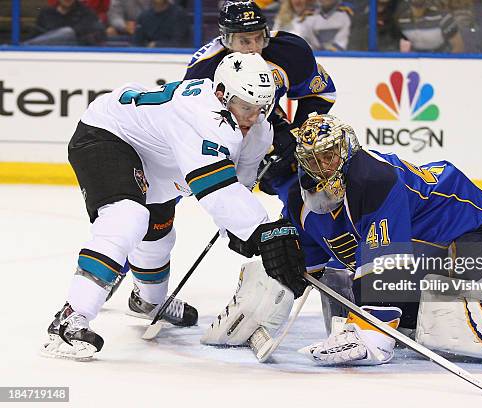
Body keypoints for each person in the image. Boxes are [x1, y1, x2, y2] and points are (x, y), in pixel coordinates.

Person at [41, 52, 308, 360]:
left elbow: (238, 186)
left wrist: (242, 232)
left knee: (158, 238)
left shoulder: (259, 128)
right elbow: (214, 189)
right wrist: (262, 233)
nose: (253, 116)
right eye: (246, 107)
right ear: (221, 94)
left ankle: (148, 302)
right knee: (127, 218)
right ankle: (70, 318)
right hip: (108, 136)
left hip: (159, 161)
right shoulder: (200, 115)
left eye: (262, 108)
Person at [284, 114, 482, 365]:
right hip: (423, 241)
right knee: (346, 272)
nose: (323, 166)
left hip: (474, 234)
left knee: (397, 275)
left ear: (345, 148)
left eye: (329, 156)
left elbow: (388, 262)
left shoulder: (374, 179)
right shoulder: (302, 198)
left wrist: (371, 333)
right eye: (314, 161)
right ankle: (408, 317)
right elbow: (307, 266)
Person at [184, 0, 337, 204]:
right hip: (219, 132)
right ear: (226, 40)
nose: (255, 48)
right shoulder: (203, 71)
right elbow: (189, 126)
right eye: (245, 41)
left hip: (265, 123)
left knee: (295, 170)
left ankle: (297, 225)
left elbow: (321, 94)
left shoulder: (289, 52)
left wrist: (297, 133)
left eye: (259, 38)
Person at [391, 0, 464, 53]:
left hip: (441, 65)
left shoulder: (443, 18)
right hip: (414, 66)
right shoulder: (401, 20)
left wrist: (446, 65)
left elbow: (458, 46)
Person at [26, 0, 106, 45]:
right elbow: (35, 35)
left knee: (68, 32)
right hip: (48, 55)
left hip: (76, 57)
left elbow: (94, 38)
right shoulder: (46, 13)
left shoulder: (87, 13)